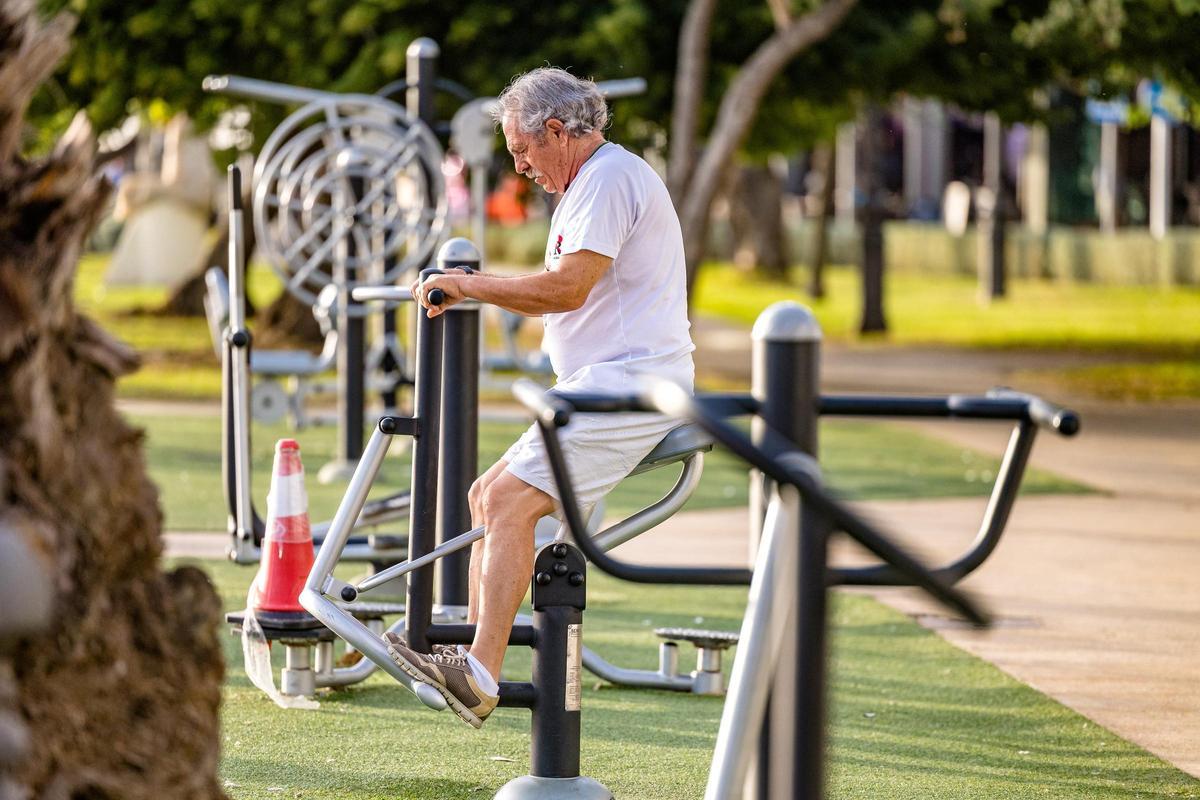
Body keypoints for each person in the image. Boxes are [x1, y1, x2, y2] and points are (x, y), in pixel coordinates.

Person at [383, 67, 695, 728]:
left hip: (630, 389)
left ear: (558, 131)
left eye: (523, 150)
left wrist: (468, 286)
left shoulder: (609, 179)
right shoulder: (595, 181)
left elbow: (566, 289)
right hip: (602, 387)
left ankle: (480, 675)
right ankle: (471, 663)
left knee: (504, 501)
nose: (519, 166)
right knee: (483, 496)